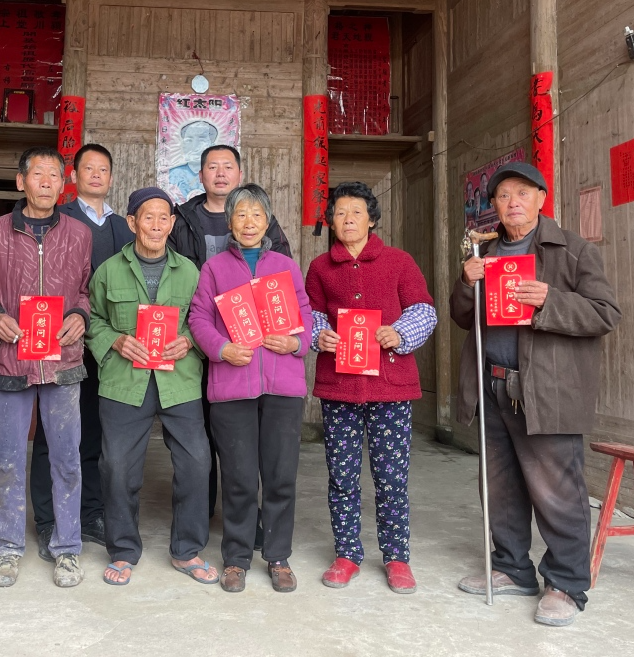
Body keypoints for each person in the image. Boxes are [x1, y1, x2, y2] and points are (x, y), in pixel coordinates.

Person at [450, 162, 621, 627]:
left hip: (545, 389)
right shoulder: (485, 253)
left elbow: (605, 313)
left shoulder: (573, 251)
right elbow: (462, 317)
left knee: (556, 489)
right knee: (499, 484)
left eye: (523, 193)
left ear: (542, 198)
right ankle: (512, 567)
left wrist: (550, 299)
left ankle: (566, 584)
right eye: (504, 195)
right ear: (494, 205)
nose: (513, 203)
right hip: (492, 382)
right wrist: (466, 283)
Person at [0, 146, 92, 589]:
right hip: (10, 360)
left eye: (54, 175)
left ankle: (68, 548)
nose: (46, 182)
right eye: (38, 174)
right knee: (6, 459)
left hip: (61, 362)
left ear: (63, 184)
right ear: (21, 181)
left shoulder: (79, 234)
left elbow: (85, 290)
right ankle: (8, 547)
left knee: (67, 459)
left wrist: (80, 315)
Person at [305, 181, 437, 594]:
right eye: (340, 213)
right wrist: (319, 335)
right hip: (339, 387)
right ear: (331, 222)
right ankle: (347, 554)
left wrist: (400, 333)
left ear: (372, 220)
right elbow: (310, 314)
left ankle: (397, 558)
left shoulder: (399, 262)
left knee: (391, 478)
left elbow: (424, 309)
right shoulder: (320, 268)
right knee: (342, 476)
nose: (347, 219)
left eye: (356, 212)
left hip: (390, 387)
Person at [87, 187, 217, 587]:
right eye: (148, 217)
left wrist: (190, 341)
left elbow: (205, 320)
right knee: (116, 465)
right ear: (132, 223)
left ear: (172, 223)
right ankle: (123, 550)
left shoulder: (191, 272)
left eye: (164, 218)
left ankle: (187, 549)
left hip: (179, 381)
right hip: (125, 381)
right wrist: (116, 341)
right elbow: (92, 319)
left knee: (197, 462)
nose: (157, 225)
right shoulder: (109, 270)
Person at [189, 184, 312, 593]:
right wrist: (222, 349)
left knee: (280, 477)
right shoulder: (214, 269)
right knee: (239, 478)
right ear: (230, 221)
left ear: (268, 221)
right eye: (241, 214)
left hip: (282, 387)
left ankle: (278, 557)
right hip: (232, 387)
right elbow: (198, 319)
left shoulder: (286, 266)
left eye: (257, 215)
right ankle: (236, 559)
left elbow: (307, 314)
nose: (249, 222)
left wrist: (295, 342)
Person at [169, 144, 291, 527]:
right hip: (197, 339)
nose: (220, 173)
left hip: (248, 348)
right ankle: (202, 514)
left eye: (227, 166)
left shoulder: (263, 221)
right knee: (201, 435)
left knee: (246, 441)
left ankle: (248, 519)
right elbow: (170, 275)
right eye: (212, 166)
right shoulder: (182, 219)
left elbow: (282, 280)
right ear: (200, 175)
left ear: (239, 174)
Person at [30, 144, 134, 559]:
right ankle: (47, 519)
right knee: (52, 434)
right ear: (73, 176)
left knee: (93, 431)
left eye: (103, 169)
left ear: (111, 177)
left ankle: (89, 513)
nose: (96, 175)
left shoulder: (124, 226)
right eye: (88, 168)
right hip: (65, 337)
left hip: (107, 345)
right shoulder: (59, 218)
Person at [168, 120, 218, 200]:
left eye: (201, 140)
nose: (194, 146)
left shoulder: (219, 175)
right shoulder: (172, 175)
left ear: (212, 146)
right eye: (189, 140)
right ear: (183, 145)